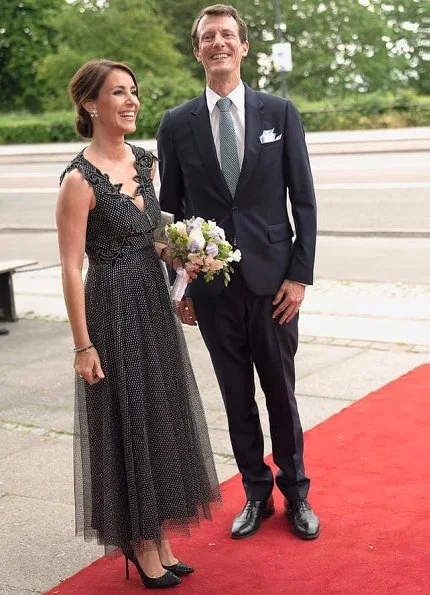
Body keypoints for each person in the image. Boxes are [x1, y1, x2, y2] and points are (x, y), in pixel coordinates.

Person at [56, 59, 221, 589]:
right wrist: (83, 346)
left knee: (160, 418)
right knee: (128, 423)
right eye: (119, 93)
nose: (131, 102)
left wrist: (186, 257)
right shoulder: (80, 180)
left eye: (134, 92)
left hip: (152, 306)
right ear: (90, 104)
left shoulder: (147, 163)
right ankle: (142, 544)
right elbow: (70, 267)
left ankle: (161, 538)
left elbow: (148, 237)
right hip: (110, 313)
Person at [157, 4, 320, 541]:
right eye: (209, 37)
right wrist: (179, 286)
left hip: (275, 286)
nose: (219, 43)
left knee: (281, 392)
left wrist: (299, 277)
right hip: (213, 289)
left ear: (244, 47)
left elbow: (306, 203)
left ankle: (296, 493)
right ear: (197, 49)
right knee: (235, 396)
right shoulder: (176, 124)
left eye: (228, 34)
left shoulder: (280, 112)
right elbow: (171, 211)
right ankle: (255, 494)